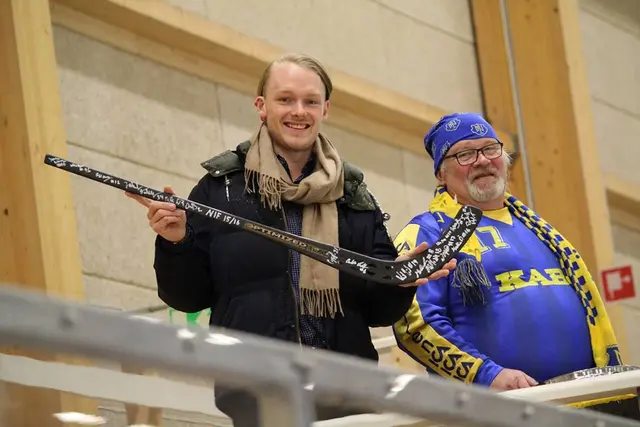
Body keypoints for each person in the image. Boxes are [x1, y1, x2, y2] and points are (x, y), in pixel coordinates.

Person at [126, 53, 455, 425]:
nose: (299, 111)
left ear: (325, 109)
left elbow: (379, 312)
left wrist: (399, 281)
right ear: (261, 106)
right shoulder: (219, 190)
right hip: (257, 393)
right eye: (285, 99)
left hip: (349, 393)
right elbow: (186, 297)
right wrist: (176, 242)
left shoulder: (353, 195)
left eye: (310, 101)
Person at [393, 112, 623, 391]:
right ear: (441, 174)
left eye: (490, 148)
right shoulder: (426, 233)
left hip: (587, 400)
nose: (482, 160)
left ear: (504, 159)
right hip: (497, 409)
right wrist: (486, 374)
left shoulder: (542, 231)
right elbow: (413, 323)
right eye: (464, 154)